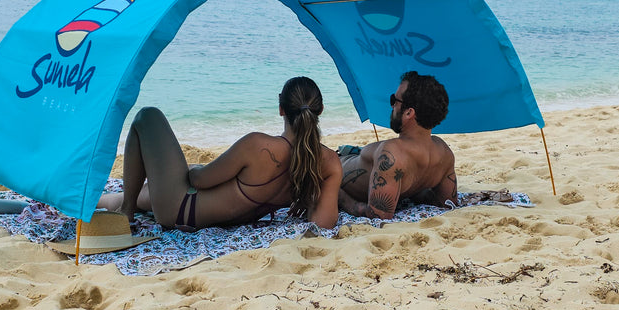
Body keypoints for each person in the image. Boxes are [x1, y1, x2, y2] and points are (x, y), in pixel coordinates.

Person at [100, 76, 342, 230]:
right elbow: (323, 224)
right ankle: (112, 202)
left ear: (281, 109)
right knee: (140, 195)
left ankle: (127, 212)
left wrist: (197, 170)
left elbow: (199, 181)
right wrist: (310, 198)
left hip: (181, 211)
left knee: (147, 116)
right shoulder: (329, 162)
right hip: (214, 215)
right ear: (319, 111)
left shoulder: (258, 145)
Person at [338, 70, 458, 219]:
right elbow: (447, 203)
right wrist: (416, 193)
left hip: (332, 171)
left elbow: (377, 215)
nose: (392, 105)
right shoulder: (443, 151)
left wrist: (338, 194)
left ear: (409, 113)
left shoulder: (392, 154)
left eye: (395, 100)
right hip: (349, 158)